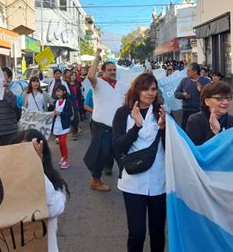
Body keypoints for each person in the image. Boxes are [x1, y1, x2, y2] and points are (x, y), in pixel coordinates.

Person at [0, 129, 69, 252]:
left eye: (29, 153)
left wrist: (35, 169)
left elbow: (54, 209)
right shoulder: (3, 182)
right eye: (19, 153)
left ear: (42, 155)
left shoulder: (54, 184)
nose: (24, 159)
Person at [113, 73, 166, 252]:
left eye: (153, 89)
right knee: (137, 232)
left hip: (159, 181)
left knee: (158, 231)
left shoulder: (162, 112)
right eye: (145, 89)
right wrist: (136, 127)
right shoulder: (122, 113)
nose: (150, 93)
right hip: (133, 182)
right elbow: (118, 147)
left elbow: (171, 147)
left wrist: (164, 128)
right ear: (136, 90)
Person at [84, 48, 130, 191]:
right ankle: (95, 180)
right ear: (103, 71)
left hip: (118, 129)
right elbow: (90, 76)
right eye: (109, 70)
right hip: (101, 127)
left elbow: (136, 89)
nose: (112, 72)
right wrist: (97, 57)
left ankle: (128, 181)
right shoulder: (98, 84)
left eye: (114, 69)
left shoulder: (122, 85)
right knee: (101, 155)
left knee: (121, 155)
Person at [174, 62, 211, 130]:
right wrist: (183, 95)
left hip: (201, 111)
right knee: (186, 132)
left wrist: (201, 90)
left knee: (201, 132)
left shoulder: (206, 81)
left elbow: (211, 96)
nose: (187, 72)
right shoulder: (184, 81)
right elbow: (176, 94)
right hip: (187, 111)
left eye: (188, 70)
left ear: (195, 71)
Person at [53, 85, 73, 169]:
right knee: (60, 143)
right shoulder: (56, 101)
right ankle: (63, 157)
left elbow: (70, 113)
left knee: (63, 142)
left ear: (64, 92)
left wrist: (60, 113)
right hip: (57, 125)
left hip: (64, 125)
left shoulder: (67, 101)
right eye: (57, 91)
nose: (57, 93)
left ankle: (66, 160)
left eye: (59, 91)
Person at [68, 70, 83, 140]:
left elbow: (82, 92)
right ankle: (74, 129)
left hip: (77, 103)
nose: (73, 77)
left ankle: (75, 132)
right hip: (69, 103)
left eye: (75, 75)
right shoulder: (67, 84)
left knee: (76, 117)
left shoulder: (78, 83)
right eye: (72, 75)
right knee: (71, 117)